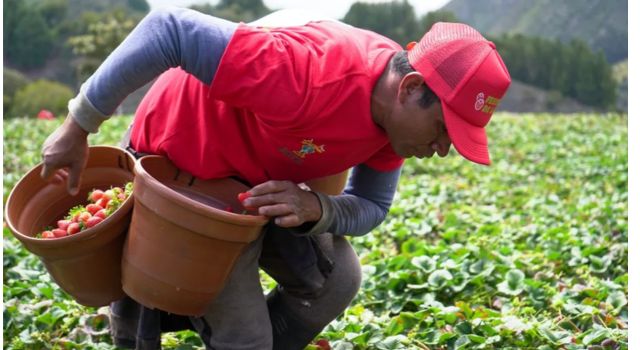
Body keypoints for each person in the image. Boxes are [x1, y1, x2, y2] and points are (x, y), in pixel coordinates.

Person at [39, 6, 511, 350]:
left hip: (257, 189)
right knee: (245, 338)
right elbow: (168, 30)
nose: (443, 149)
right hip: (185, 173)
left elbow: (373, 206)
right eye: (444, 130)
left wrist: (317, 209)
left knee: (339, 279)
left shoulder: (396, 123)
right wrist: (78, 123)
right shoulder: (305, 73)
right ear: (410, 89)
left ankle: (228, 329)